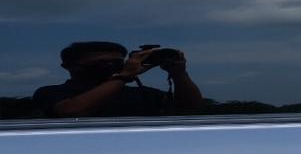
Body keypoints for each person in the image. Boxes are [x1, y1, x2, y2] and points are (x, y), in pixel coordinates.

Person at [35, 41, 203, 118]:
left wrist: (179, 75)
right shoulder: (51, 93)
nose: (110, 66)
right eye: (102, 63)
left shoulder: (143, 94)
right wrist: (124, 76)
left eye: (116, 62)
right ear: (69, 66)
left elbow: (189, 108)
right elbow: (72, 112)